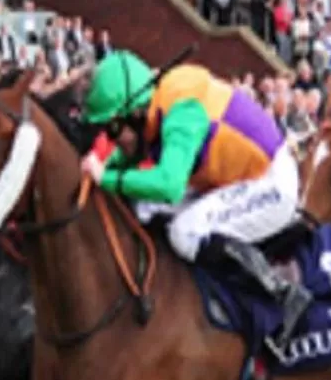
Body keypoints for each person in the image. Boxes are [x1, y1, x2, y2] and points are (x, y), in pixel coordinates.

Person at [83, 48, 310, 345]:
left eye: (113, 129)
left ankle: (281, 293)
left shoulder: (181, 110)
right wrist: (105, 167)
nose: (112, 140)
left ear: (135, 113)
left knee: (184, 231)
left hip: (271, 182)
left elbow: (169, 185)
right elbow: (136, 161)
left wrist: (106, 177)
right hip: (236, 177)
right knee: (144, 207)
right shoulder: (158, 107)